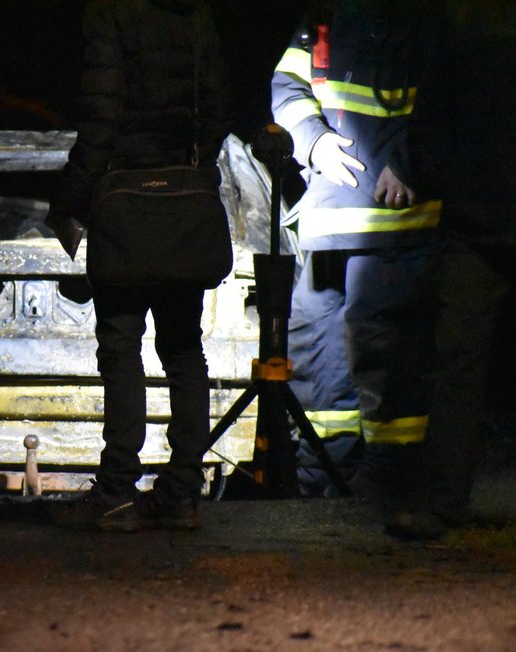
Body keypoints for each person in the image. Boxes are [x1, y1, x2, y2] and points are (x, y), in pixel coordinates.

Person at [46, 0, 234, 531]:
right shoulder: (197, 15)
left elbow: (100, 120)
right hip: (184, 206)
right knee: (183, 348)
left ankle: (117, 492)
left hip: (124, 203)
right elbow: (219, 113)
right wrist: (190, 171)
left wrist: (69, 201)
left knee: (122, 349)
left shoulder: (109, 13)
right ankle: (180, 493)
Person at [270, 0, 441, 499]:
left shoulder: (429, 19)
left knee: (387, 356)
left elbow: (453, 100)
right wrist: (313, 139)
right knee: (317, 355)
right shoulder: (323, 15)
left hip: (397, 226)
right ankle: (324, 477)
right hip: (328, 226)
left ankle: (391, 480)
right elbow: (287, 85)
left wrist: (411, 164)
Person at [387, 1, 516, 540]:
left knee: (457, 365)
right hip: (480, 217)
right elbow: (432, 119)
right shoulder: (462, 17)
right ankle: (441, 502)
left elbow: (430, 118)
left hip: (476, 218)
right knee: (456, 365)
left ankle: (440, 503)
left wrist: (458, 188)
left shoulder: (461, 15)